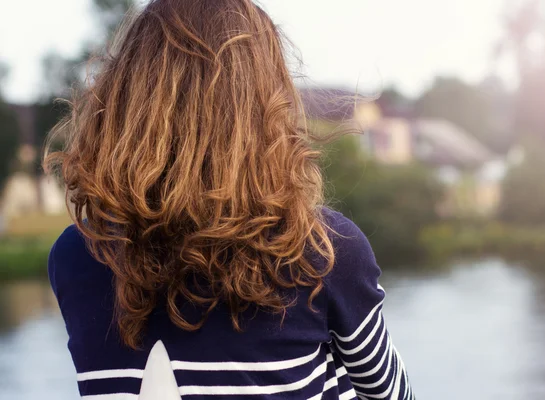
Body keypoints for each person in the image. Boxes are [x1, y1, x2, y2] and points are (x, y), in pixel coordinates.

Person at [44, 0, 415, 399]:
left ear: (123, 101)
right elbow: (390, 393)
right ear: (266, 108)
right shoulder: (324, 249)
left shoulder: (76, 256)